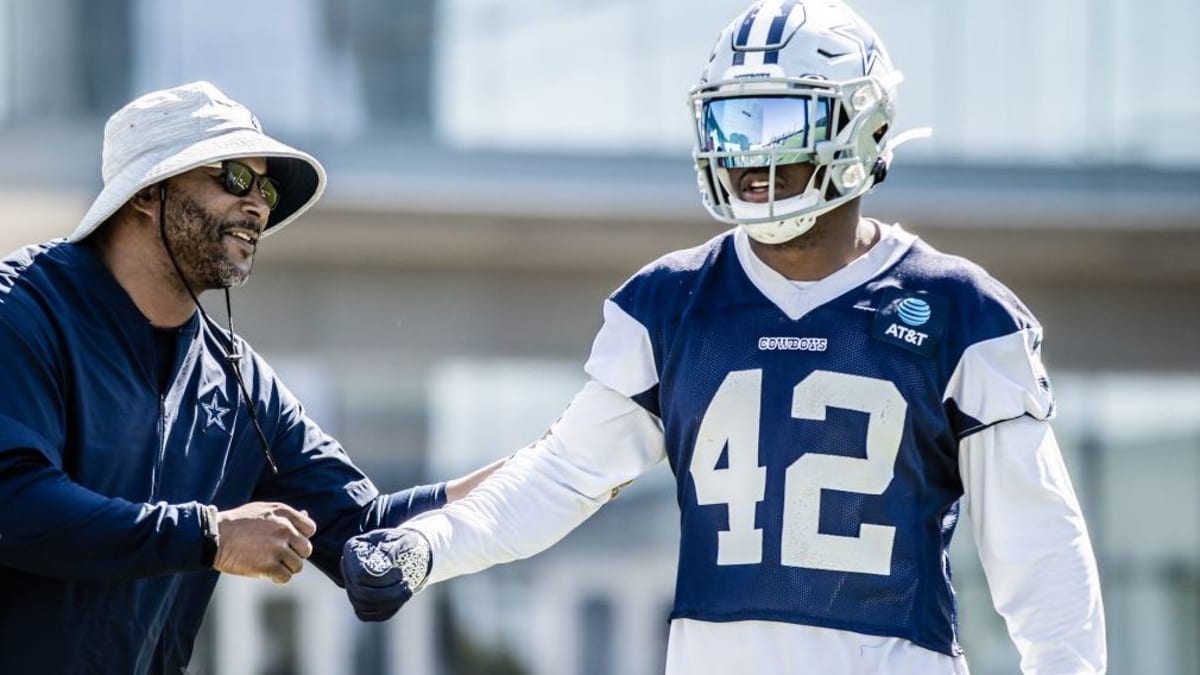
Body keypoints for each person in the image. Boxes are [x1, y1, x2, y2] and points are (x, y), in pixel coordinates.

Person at [341, 2, 1107, 673]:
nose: (748, 155)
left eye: (776, 120)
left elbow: (1042, 562)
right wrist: (429, 544)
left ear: (859, 122)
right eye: (729, 121)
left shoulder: (961, 311)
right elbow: (558, 476)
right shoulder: (671, 303)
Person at [0, 81, 502, 675]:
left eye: (265, 188)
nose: (258, 205)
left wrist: (541, 477)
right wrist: (209, 535)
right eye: (234, 178)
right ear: (147, 192)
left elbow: (359, 530)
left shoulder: (240, 379)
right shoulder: (20, 312)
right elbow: (15, 503)